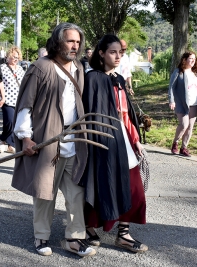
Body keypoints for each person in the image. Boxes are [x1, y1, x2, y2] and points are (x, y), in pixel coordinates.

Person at [12, 22, 95, 257]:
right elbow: (25, 106)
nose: (75, 46)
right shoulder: (41, 67)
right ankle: (41, 236)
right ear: (58, 41)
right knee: (44, 190)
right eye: (70, 41)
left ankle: (75, 238)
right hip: (47, 139)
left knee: (76, 191)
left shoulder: (78, 67)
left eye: (78, 42)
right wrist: (25, 137)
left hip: (74, 139)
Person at [81, 34, 148, 253]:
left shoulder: (119, 79)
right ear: (101, 53)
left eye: (120, 52)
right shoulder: (93, 79)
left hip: (124, 139)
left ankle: (124, 233)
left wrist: (135, 140)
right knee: (101, 184)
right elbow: (91, 114)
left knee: (134, 186)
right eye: (113, 52)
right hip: (102, 140)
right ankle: (89, 227)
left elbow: (125, 115)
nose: (118, 56)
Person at [168, 51, 197, 157]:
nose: (193, 61)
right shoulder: (179, 72)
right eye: (190, 58)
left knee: (190, 127)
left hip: (195, 104)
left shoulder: (196, 74)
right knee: (183, 125)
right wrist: (171, 101)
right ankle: (175, 143)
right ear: (184, 60)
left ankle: (184, 148)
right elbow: (171, 87)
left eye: (194, 59)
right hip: (182, 103)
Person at [0, 46, 25, 154]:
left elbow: (23, 84)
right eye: (14, 57)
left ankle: (8, 143)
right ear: (8, 56)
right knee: (9, 121)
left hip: (18, 99)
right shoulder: (2, 67)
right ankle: (5, 140)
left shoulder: (20, 69)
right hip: (7, 99)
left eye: (17, 58)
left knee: (15, 122)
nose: (15, 59)